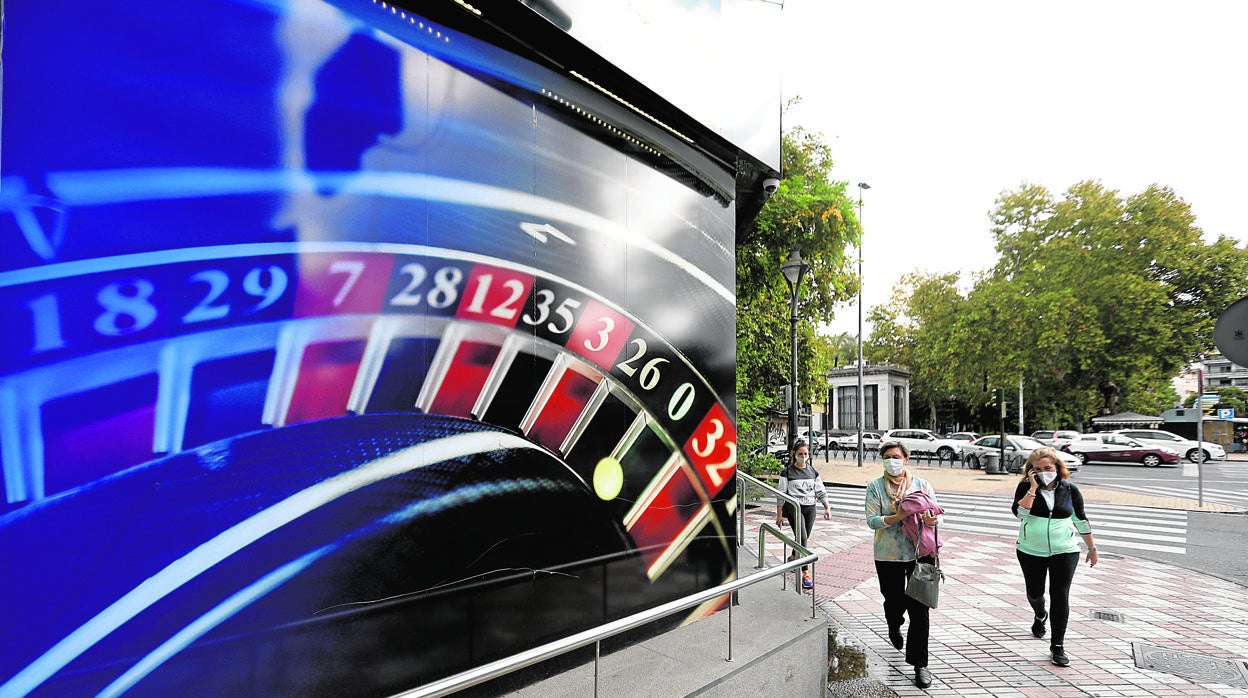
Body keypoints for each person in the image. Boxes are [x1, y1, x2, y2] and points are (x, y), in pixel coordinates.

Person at [1011, 446, 1098, 667]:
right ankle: (1040, 614)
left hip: (1065, 551)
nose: (1043, 472)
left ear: (1058, 467)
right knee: (1035, 593)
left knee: (1060, 595)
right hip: (1031, 550)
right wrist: (1032, 487)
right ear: (1031, 471)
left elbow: (1080, 519)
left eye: (1047, 468)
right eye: (1037, 469)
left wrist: (1092, 548)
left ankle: (1057, 646)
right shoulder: (1024, 487)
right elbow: (1020, 513)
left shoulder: (1070, 489)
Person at [865, 441, 942, 689]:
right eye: (887, 457)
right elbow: (872, 521)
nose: (892, 461)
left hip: (920, 553)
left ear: (906, 459)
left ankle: (920, 664)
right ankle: (894, 623)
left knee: (920, 610)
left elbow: (934, 515)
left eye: (896, 456)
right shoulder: (875, 487)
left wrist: (930, 520)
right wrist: (898, 516)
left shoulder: (922, 485)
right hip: (888, 555)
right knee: (894, 601)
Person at [775, 439, 831, 589]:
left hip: (810, 508)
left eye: (806, 453)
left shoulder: (813, 471)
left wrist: (827, 507)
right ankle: (805, 572)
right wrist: (779, 514)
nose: (803, 456)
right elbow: (781, 494)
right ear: (794, 454)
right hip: (795, 508)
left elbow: (820, 490)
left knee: (802, 537)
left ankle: (794, 557)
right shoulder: (787, 472)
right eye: (800, 453)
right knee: (803, 538)